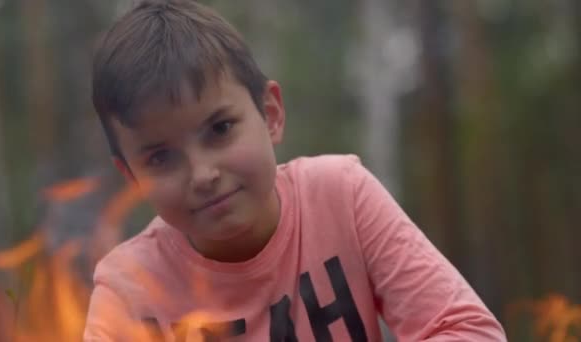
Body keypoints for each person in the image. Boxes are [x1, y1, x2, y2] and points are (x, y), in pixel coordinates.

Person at [84, 0, 507, 340]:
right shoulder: (127, 290)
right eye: (161, 158)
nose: (202, 174)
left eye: (220, 129)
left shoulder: (340, 196)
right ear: (132, 178)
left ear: (270, 114)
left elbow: (467, 329)